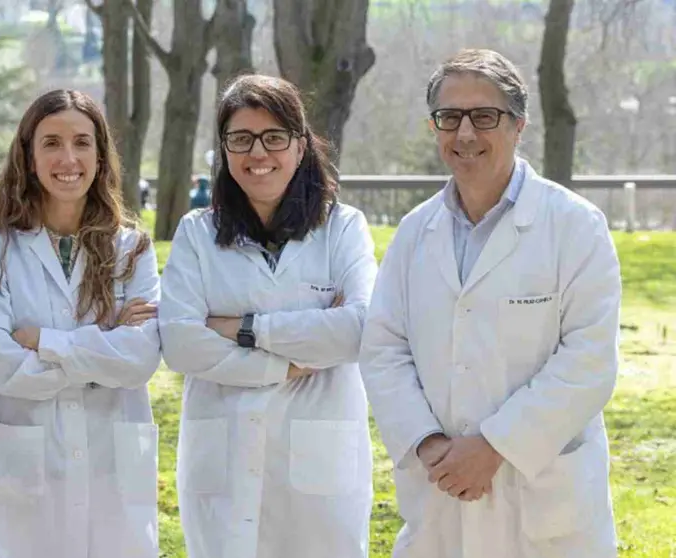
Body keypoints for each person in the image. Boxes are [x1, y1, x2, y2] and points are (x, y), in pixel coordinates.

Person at [359, 48, 621, 558]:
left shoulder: (575, 226)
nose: (464, 134)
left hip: (544, 497)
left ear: (518, 125)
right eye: (449, 117)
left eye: (484, 116)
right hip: (441, 493)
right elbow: (383, 349)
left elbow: (588, 361)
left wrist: (495, 446)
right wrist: (428, 443)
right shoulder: (414, 235)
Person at [158, 74, 378, 558]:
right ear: (224, 150)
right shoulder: (198, 234)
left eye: (274, 137)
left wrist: (242, 327)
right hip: (224, 457)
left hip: (318, 464)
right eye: (241, 139)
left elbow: (359, 329)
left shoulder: (342, 228)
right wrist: (286, 364)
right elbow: (179, 342)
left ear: (300, 147)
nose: (258, 153)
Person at [0, 89, 162, 558]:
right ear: (29, 157)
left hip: (110, 457)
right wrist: (104, 343)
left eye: (82, 142)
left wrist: (42, 342)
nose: (67, 158)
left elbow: (138, 361)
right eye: (51, 142)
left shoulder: (131, 248)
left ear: (100, 155)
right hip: (24, 459)